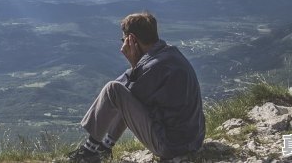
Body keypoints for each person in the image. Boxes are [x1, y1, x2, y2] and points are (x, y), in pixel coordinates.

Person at [67, 12, 205, 162]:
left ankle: (89, 151)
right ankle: (104, 148)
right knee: (121, 89)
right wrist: (137, 66)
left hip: (171, 145)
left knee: (112, 89)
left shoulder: (155, 66)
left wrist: (134, 64)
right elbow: (128, 90)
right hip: (194, 139)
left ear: (131, 39)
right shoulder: (168, 54)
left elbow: (125, 93)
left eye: (123, 40)